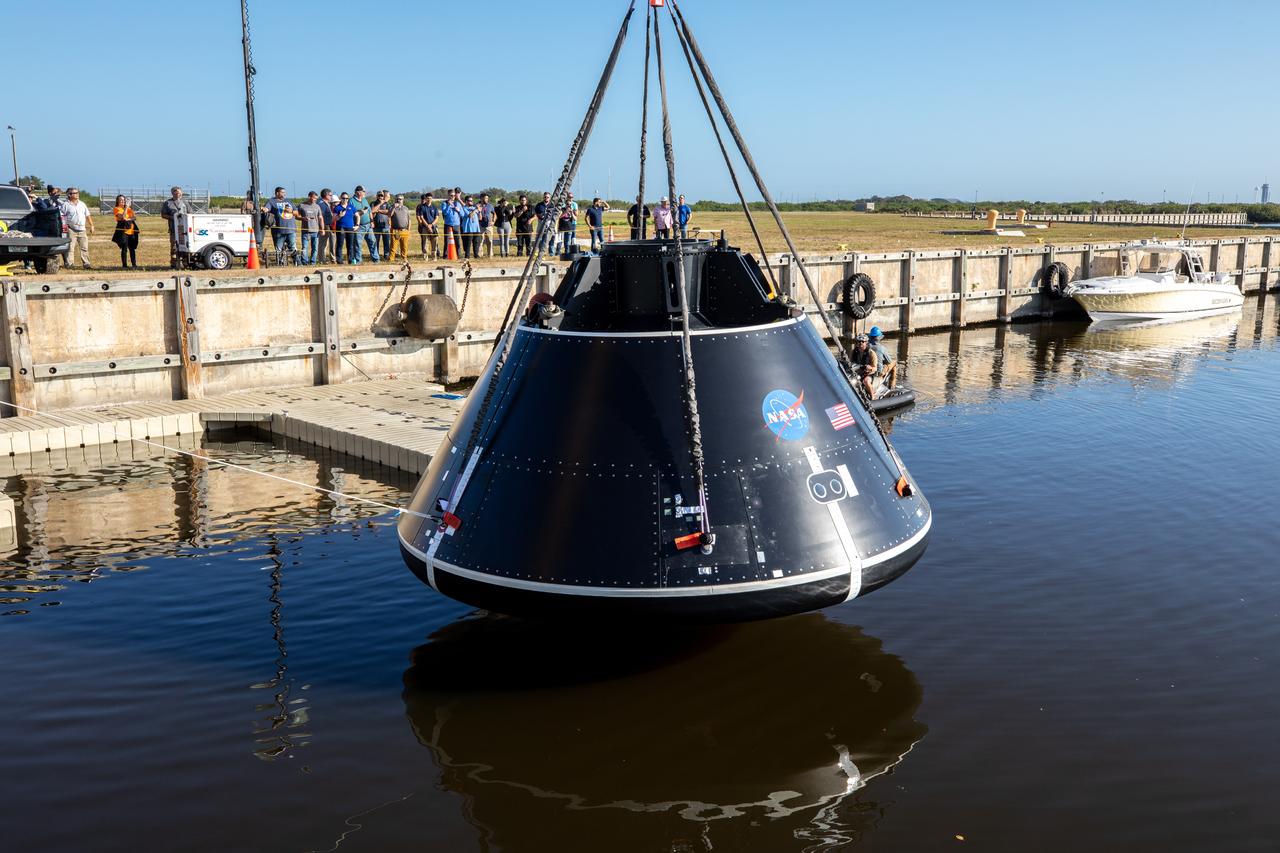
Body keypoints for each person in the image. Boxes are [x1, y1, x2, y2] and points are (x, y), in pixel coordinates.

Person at [61, 187, 94, 268]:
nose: (77, 194)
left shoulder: (82, 204)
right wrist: (64, 227)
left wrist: (92, 225)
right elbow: (62, 216)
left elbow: (87, 215)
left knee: (84, 248)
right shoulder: (65, 205)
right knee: (70, 248)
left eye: (77, 192)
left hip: (82, 229)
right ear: (69, 195)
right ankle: (70, 264)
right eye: (74, 193)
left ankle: (86, 264)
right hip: (71, 229)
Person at [263, 186, 297, 261]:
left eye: (285, 192)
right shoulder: (271, 201)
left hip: (291, 229)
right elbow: (267, 209)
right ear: (277, 193)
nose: (285, 194)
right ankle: (280, 262)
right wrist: (264, 209)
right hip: (278, 231)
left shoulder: (289, 201)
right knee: (278, 248)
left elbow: (296, 213)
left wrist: (291, 211)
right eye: (283, 192)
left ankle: (297, 262)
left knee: (293, 247)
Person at [160, 186, 188, 269]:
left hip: (184, 230)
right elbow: (163, 215)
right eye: (176, 193)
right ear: (172, 194)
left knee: (185, 247)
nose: (178, 194)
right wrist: (173, 218)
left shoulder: (185, 203)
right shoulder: (168, 203)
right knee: (174, 247)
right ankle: (173, 263)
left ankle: (185, 263)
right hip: (173, 229)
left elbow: (190, 213)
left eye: (179, 193)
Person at [110, 194, 139, 269]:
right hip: (123, 231)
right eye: (121, 200)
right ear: (118, 201)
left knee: (132, 248)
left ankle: (134, 264)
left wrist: (129, 219)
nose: (123, 201)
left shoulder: (129, 209)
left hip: (131, 230)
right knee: (124, 248)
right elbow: (122, 217)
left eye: (124, 200)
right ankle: (125, 265)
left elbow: (134, 217)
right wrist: (126, 208)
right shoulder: (117, 208)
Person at [351, 185, 378, 263]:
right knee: (358, 244)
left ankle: (376, 259)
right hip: (359, 226)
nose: (364, 193)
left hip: (368, 225)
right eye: (363, 191)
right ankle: (358, 260)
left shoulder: (365, 200)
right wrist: (360, 212)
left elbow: (369, 211)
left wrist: (372, 221)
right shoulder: (351, 201)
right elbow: (351, 213)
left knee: (373, 241)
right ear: (358, 192)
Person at [297, 191, 324, 265]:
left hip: (316, 231)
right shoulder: (302, 205)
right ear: (309, 197)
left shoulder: (317, 206)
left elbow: (320, 218)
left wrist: (322, 229)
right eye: (314, 198)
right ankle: (305, 262)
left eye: (316, 199)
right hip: (306, 231)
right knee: (304, 248)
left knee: (315, 248)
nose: (315, 200)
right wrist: (303, 218)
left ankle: (313, 262)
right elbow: (297, 216)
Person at [332, 192, 358, 264]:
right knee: (340, 244)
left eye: (347, 198)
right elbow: (333, 219)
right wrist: (340, 216)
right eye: (343, 198)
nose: (345, 200)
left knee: (350, 245)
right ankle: (339, 260)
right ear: (341, 198)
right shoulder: (337, 208)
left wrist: (357, 225)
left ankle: (351, 260)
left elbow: (357, 215)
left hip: (350, 228)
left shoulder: (351, 207)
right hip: (341, 228)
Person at [852, 333, 879, 398]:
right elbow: (851, 363)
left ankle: (873, 397)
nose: (860, 343)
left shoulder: (871, 353)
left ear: (866, 342)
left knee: (866, 381)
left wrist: (870, 368)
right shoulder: (854, 352)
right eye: (859, 341)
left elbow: (875, 368)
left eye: (862, 341)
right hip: (858, 373)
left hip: (868, 374)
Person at [440, 188, 463, 259]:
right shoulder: (444, 203)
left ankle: (458, 255)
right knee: (447, 240)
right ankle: (445, 255)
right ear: (448, 195)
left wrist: (458, 210)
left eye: (453, 195)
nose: (452, 197)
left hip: (456, 224)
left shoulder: (458, 203)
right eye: (451, 195)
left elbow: (462, 214)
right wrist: (448, 206)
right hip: (448, 224)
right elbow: (444, 213)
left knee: (457, 240)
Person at [388, 194, 412, 263]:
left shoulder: (406, 208)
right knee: (393, 247)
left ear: (403, 200)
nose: (399, 200)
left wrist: (408, 230)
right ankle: (391, 260)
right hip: (395, 230)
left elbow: (409, 219)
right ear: (395, 200)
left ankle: (404, 259)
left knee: (404, 247)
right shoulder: (392, 207)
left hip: (404, 230)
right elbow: (389, 215)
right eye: (397, 199)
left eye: (400, 199)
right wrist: (393, 208)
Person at [416, 192, 439, 259]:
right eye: (428, 198)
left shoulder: (434, 207)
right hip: (425, 228)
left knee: (434, 242)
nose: (429, 199)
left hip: (434, 227)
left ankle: (434, 257)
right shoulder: (422, 207)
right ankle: (425, 257)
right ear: (425, 198)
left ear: (432, 199)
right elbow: (421, 217)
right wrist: (427, 226)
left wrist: (431, 225)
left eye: (430, 198)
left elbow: (437, 217)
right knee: (425, 242)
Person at [370, 190, 392, 260]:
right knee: (375, 242)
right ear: (377, 196)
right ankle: (376, 257)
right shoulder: (373, 203)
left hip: (385, 226)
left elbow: (389, 212)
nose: (380, 197)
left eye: (381, 195)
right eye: (379, 195)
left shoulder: (387, 203)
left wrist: (378, 211)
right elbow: (372, 211)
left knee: (386, 243)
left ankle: (386, 256)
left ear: (383, 196)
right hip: (376, 226)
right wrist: (379, 204)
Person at [534, 191, 556, 255]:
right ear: (543, 197)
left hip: (550, 223)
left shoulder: (552, 205)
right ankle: (541, 253)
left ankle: (551, 253)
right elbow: (536, 213)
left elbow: (555, 214)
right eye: (545, 197)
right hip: (541, 222)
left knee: (551, 238)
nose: (546, 198)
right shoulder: (539, 205)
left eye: (548, 197)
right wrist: (540, 216)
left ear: (550, 198)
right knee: (540, 238)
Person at [460, 194, 481, 259]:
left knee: (476, 242)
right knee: (468, 243)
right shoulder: (464, 208)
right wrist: (475, 210)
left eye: (472, 201)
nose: (471, 202)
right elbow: (470, 216)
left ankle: (476, 255)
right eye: (470, 201)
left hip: (476, 228)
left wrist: (479, 211)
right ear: (466, 201)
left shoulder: (474, 208)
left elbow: (480, 218)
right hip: (468, 229)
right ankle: (467, 256)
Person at [318, 188, 335, 263]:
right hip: (324, 225)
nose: (331, 196)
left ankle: (324, 259)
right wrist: (322, 227)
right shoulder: (321, 204)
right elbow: (320, 216)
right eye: (330, 195)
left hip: (329, 225)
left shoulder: (326, 203)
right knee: (323, 243)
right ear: (326, 195)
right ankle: (322, 259)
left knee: (326, 243)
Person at [477, 192, 495, 258]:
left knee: (490, 241)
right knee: (480, 241)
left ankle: (490, 255)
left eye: (487, 198)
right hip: (480, 226)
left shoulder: (490, 206)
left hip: (489, 226)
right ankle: (479, 255)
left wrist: (493, 221)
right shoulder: (477, 205)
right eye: (485, 198)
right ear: (481, 198)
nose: (486, 199)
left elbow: (494, 214)